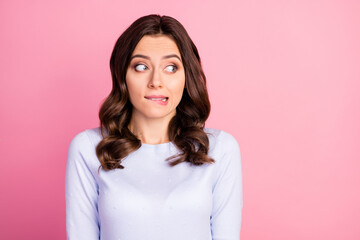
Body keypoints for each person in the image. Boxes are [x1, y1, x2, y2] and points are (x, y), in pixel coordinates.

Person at [65, 14, 243, 240]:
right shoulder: (89, 148)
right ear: (122, 75)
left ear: (187, 76)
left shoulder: (220, 149)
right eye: (141, 66)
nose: (156, 81)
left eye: (171, 68)